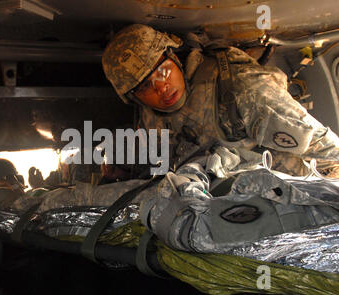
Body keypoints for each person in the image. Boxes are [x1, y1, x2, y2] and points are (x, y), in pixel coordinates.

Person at [101, 24, 339, 179]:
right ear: (134, 98)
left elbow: (319, 143)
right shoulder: (151, 118)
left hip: (284, 192)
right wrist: (123, 173)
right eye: (145, 86)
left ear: (174, 57)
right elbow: (164, 162)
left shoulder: (241, 88)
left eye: (162, 71)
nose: (161, 87)